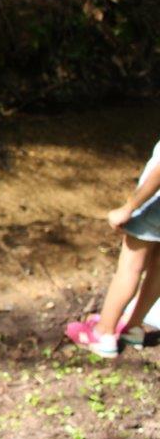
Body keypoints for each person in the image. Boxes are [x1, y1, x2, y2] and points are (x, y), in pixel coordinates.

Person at [66, 139, 160, 357]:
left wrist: (129, 207)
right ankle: (133, 328)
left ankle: (104, 333)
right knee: (158, 269)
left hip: (154, 207)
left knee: (130, 268)